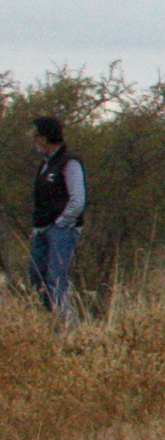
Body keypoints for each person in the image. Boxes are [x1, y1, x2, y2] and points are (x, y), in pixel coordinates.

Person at [29, 116, 86, 324]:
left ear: (44, 137)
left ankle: (70, 330)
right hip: (42, 229)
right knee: (37, 279)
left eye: (36, 135)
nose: (34, 140)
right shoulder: (46, 164)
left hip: (62, 230)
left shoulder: (69, 162)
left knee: (56, 280)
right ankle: (51, 324)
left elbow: (78, 200)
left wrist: (61, 223)